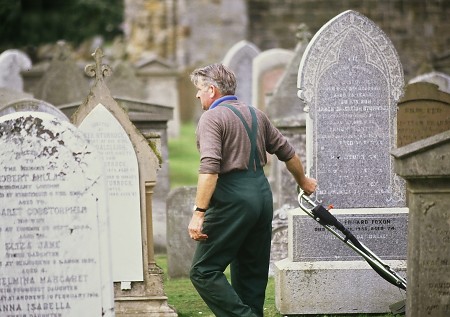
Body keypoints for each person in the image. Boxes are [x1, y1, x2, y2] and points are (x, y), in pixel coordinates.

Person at [188, 63, 317, 317]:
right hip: (262, 195)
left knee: (203, 271)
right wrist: (303, 181)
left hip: (233, 198)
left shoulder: (211, 118)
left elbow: (210, 168)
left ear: (212, 90)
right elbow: (288, 153)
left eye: (200, 89)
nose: (197, 95)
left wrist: (199, 212)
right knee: (251, 274)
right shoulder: (256, 114)